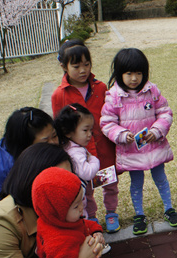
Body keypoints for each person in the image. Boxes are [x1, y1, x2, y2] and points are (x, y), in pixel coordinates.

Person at [100, 48, 177, 235]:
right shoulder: (114, 96)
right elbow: (107, 123)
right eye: (129, 73)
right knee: (136, 182)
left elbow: (165, 112)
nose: (134, 78)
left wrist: (157, 130)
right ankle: (139, 214)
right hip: (131, 150)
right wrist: (121, 135)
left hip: (154, 144)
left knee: (160, 178)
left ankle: (169, 208)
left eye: (138, 73)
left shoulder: (151, 90)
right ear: (120, 73)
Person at [51, 39, 120, 233]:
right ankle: (92, 217)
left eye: (87, 64)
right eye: (76, 66)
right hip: (79, 153)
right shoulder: (59, 94)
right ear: (63, 67)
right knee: (85, 189)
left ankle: (112, 212)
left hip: (104, 148)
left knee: (110, 183)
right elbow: (59, 126)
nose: (83, 70)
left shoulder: (100, 88)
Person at [54, 104, 115, 258]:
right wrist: (94, 160)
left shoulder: (68, 146)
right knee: (83, 225)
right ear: (68, 132)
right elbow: (87, 172)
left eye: (91, 130)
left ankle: (94, 248)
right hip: (75, 199)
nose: (90, 135)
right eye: (85, 130)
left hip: (75, 196)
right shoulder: (76, 152)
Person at [0, 107, 57, 212]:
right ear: (25, 144)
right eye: (45, 141)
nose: (54, 143)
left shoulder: (12, 145)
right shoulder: (16, 167)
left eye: (55, 135)